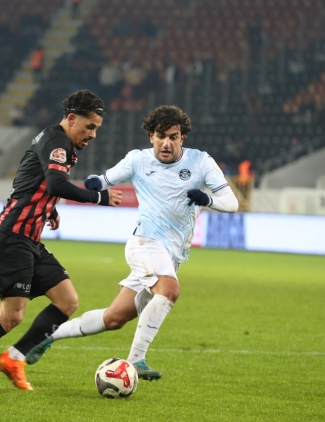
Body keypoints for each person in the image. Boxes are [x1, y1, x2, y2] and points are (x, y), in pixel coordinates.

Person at [24, 105, 239, 380]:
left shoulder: (201, 161)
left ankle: (47, 336)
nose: (166, 143)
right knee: (170, 290)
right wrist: (93, 184)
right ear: (151, 136)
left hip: (172, 253)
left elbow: (231, 203)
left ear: (182, 137)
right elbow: (103, 179)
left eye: (173, 137)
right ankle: (136, 361)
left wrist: (207, 199)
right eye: (161, 136)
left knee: (114, 318)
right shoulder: (137, 159)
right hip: (145, 242)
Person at [0, 90, 123, 390]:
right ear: (71, 119)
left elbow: (30, 180)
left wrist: (49, 209)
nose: (93, 134)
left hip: (29, 238)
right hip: (13, 237)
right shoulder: (57, 142)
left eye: (96, 128)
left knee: (67, 300)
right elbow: (55, 183)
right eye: (90, 126)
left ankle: (14, 357)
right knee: (12, 315)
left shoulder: (56, 140)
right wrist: (98, 197)